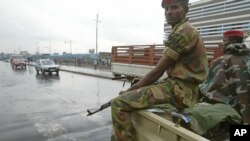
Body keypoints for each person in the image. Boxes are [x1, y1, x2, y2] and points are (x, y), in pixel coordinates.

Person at [111, 0, 208, 140]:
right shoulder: (182, 30)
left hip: (180, 91)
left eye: (174, 7)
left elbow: (158, 71)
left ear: (186, 9)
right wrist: (141, 85)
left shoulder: (184, 31)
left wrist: (132, 89)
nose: (169, 12)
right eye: (166, 9)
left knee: (118, 103)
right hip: (182, 89)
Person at [199, 29, 250, 125]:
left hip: (230, 113)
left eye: (224, 41)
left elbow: (208, 89)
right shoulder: (248, 59)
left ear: (232, 42)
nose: (222, 43)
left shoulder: (221, 61)